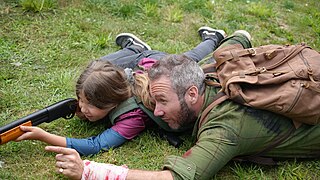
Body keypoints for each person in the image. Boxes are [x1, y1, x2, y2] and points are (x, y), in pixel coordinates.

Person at [45, 30, 320, 180]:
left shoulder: (225, 128)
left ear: (191, 93)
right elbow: (235, 42)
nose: (157, 111)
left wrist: (90, 172)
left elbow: (176, 178)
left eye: (163, 101)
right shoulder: (209, 70)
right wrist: (240, 35)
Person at [15, 27, 226, 156]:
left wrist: (45, 136)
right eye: (81, 100)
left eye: (90, 104)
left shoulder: (133, 117)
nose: (82, 108)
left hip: (158, 64)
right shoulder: (116, 85)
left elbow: (97, 145)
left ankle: (213, 37)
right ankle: (135, 48)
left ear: (111, 102)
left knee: (191, 59)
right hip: (144, 63)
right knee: (98, 67)